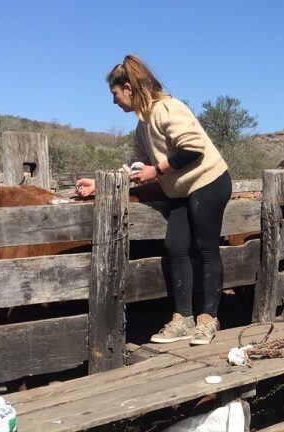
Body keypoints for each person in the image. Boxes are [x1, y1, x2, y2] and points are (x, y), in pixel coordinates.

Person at [76, 54, 231, 345]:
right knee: (175, 246)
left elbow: (194, 149)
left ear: (129, 89)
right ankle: (183, 318)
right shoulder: (143, 124)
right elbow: (136, 167)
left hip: (208, 181)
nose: (114, 101)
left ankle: (208, 319)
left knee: (206, 248)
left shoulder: (168, 109)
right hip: (182, 189)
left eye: (115, 94)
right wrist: (100, 184)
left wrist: (157, 170)